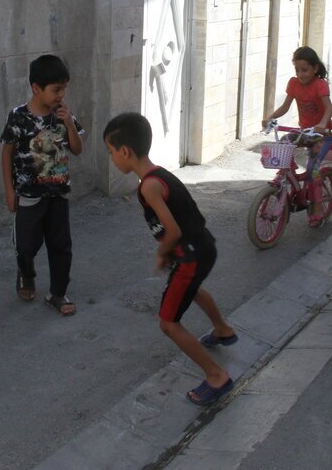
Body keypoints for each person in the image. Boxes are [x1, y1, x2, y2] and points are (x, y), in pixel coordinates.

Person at [102, 112, 238, 406]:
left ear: (125, 151)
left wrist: (162, 253)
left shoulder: (148, 186)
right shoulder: (159, 174)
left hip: (189, 256)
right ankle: (223, 330)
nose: (112, 159)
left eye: (111, 152)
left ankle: (216, 376)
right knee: (193, 290)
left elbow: (173, 230)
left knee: (168, 323)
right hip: (203, 248)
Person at [0, 55, 84, 315]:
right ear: (36, 88)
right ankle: (26, 273)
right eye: (56, 89)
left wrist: (69, 123)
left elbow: (77, 149)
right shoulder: (19, 117)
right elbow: (6, 153)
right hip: (28, 194)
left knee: (61, 245)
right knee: (26, 245)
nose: (62, 94)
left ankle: (57, 294)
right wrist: (9, 190)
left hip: (58, 193)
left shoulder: (63, 116)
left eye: (64, 88)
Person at [261, 46, 332, 228]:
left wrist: (322, 125)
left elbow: (329, 109)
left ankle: (317, 208)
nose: (301, 74)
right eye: (297, 70)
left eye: (305, 70)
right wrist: (270, 118)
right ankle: (287, 174)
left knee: (313, 171)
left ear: (315, 69)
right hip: (304, 132)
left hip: (321, 135)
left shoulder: (320, 85)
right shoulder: (294, 84)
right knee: (285, 140)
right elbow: (286, 106)